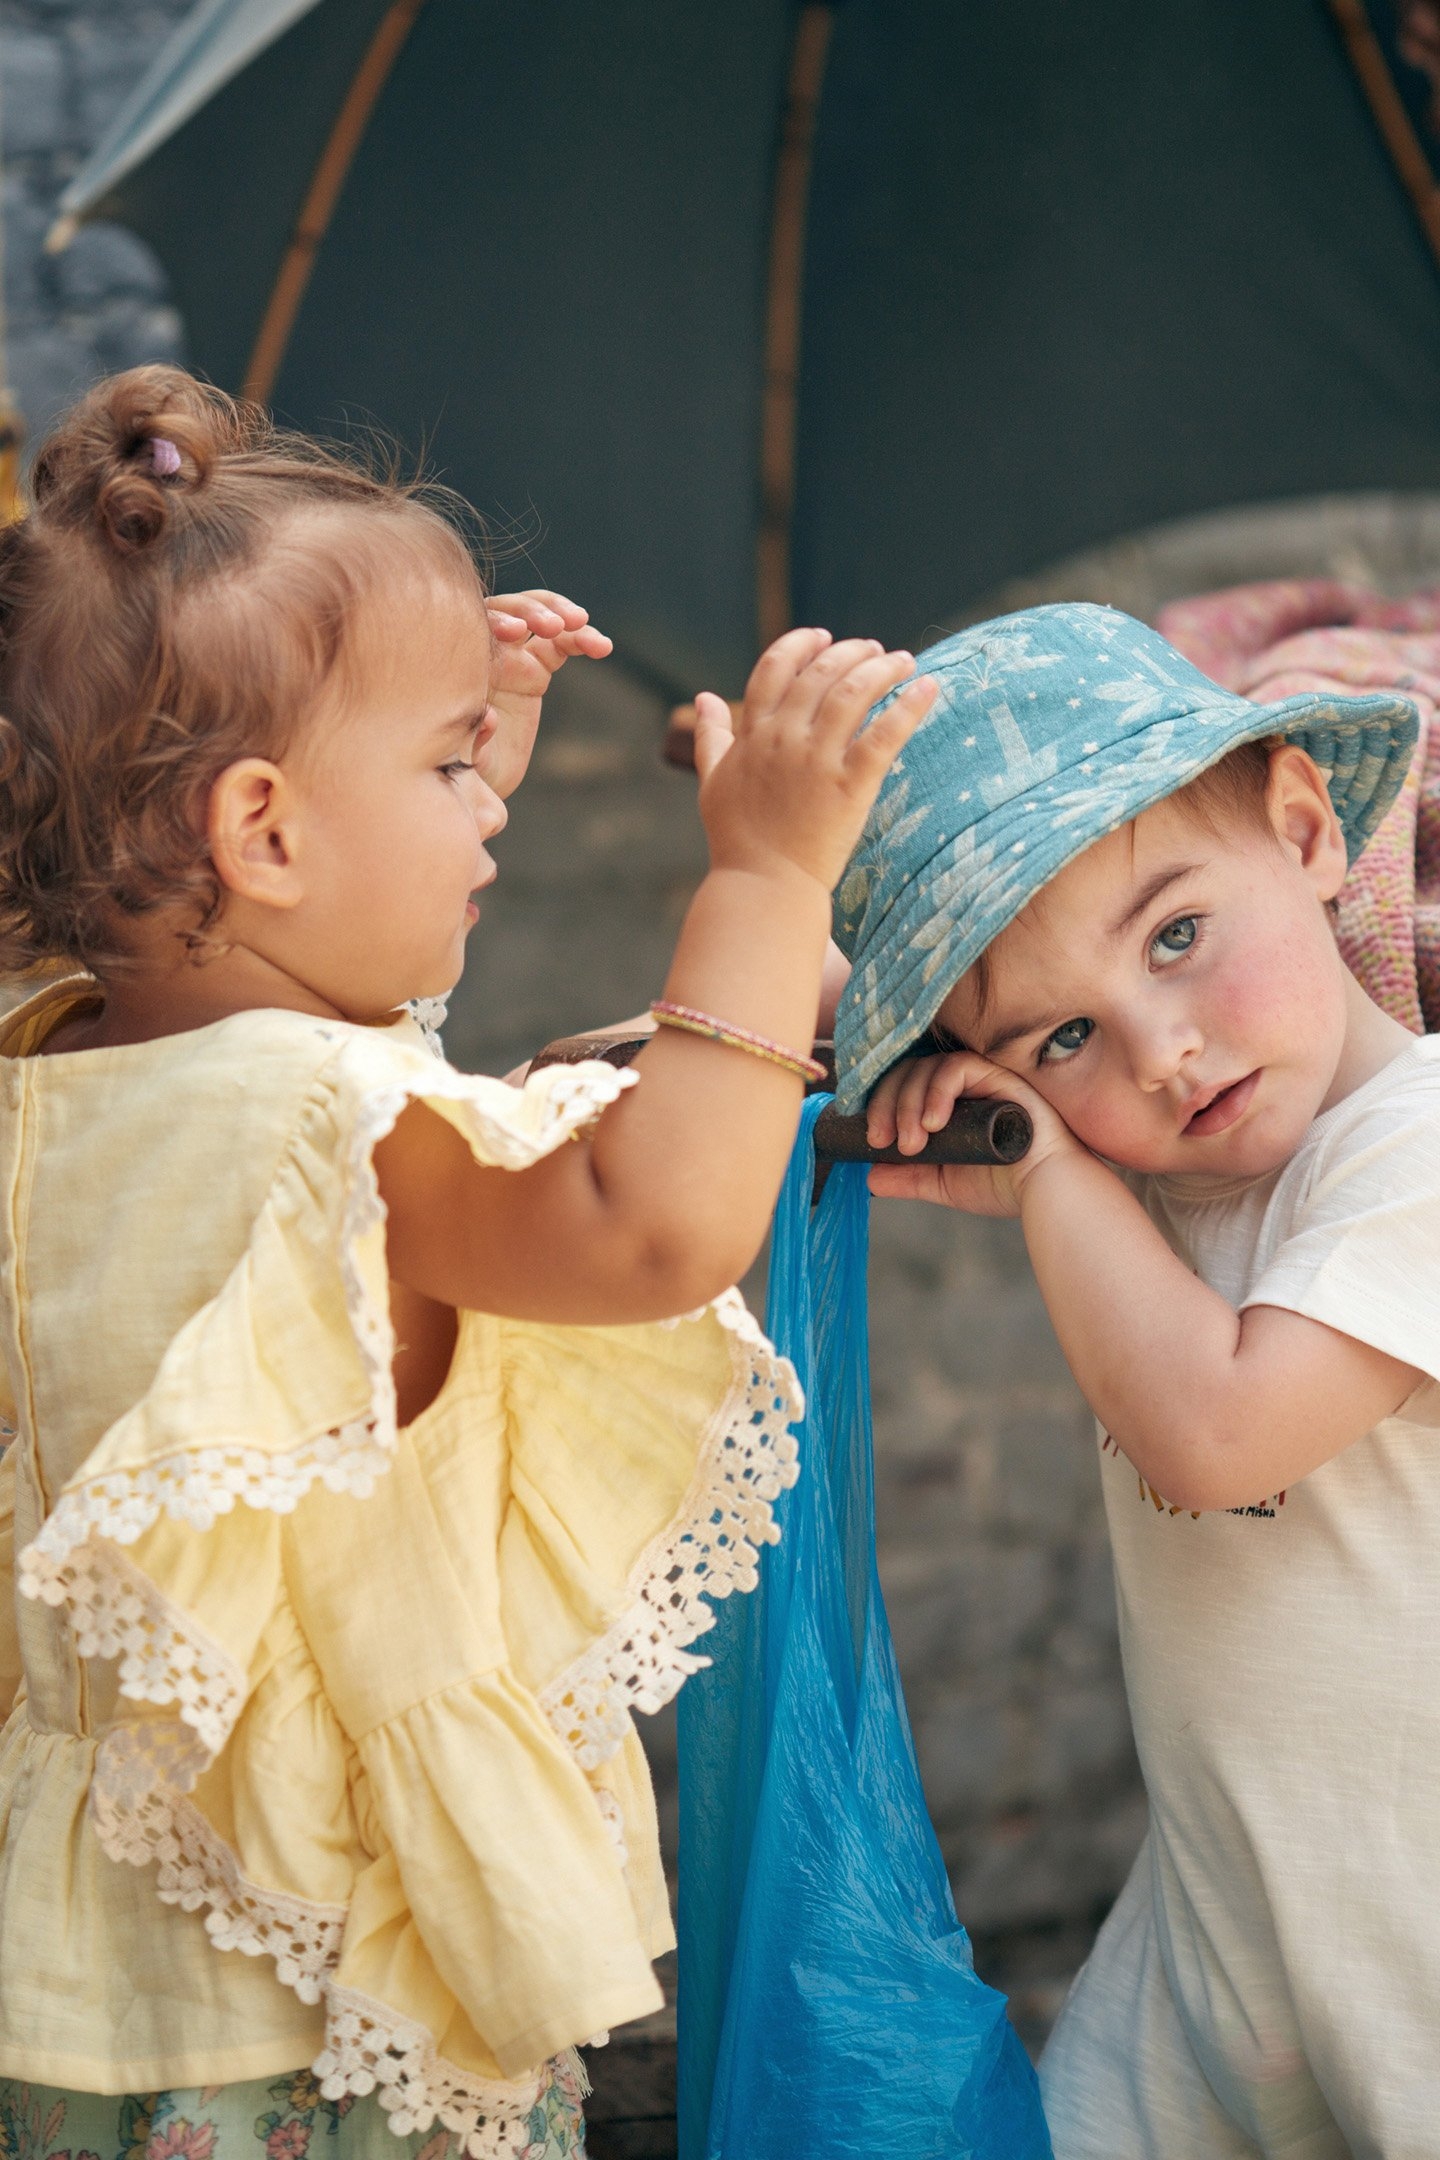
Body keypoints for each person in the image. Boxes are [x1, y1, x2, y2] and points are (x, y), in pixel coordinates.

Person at [0, 364, 937, 2158]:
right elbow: (651, 1227)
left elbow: (314, 1109)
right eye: (448, 768)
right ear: (265, 833)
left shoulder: (58, 1071)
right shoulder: (330, 1119)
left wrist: (437, 758)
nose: (491, 808)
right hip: (313, 2003)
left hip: (83, 1969)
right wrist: (767, 881)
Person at [830, 600, 1436, 2159]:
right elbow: (856, 1029)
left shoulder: (1417, 1156)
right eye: (1065, 1038)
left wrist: (1047, 1171)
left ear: (1306, 831)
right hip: (1227, 1924)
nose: (1162, 1052)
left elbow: (1221, 1432)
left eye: (1178, 937)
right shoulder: (1176, 1181)